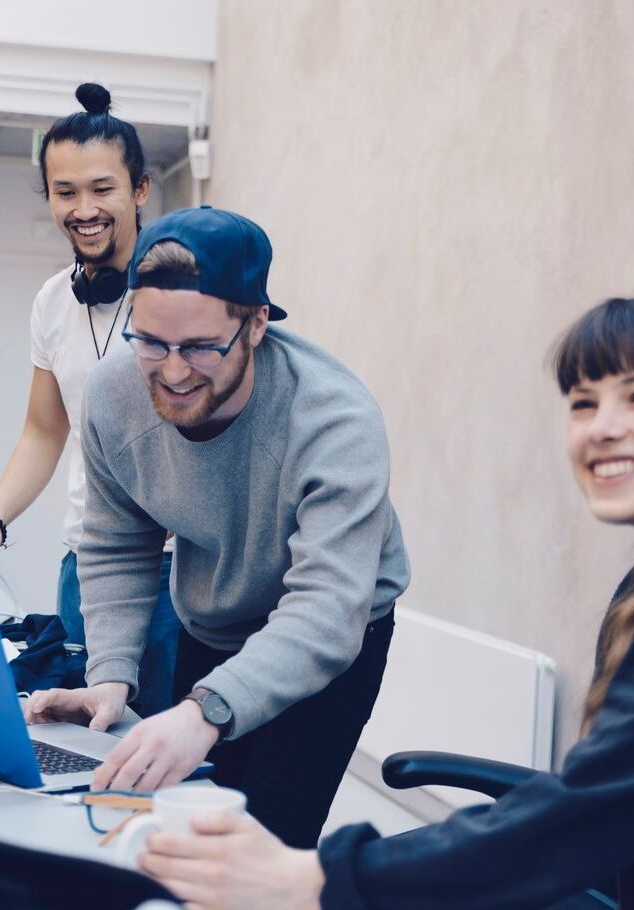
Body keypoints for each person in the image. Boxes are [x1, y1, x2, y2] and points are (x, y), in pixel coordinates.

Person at [135, 294, 634, 909]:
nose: (603, 426)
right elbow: (619, 795)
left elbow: (597, 809)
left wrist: (319, 877)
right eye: (584, 402)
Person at [26, 206, 411, 848]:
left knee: (262, 846)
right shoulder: (114, 395)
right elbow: (119, 542)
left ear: (257, 323)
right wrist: (110, 678)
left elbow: (325, 609)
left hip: (332, 633)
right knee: (185, 828)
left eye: (203, 347)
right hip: (213, 620)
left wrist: (205, 711)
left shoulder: (336, 420)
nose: (173, 373)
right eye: (151, 341)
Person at [0, 83, 180, 718]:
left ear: (140, 189)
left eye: (103, 188)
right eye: (66, 191)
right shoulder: (52, 302)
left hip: (172, 572)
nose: (85, 208)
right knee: (79, 743)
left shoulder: (183, 292)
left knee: (153, 754)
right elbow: (44, 432)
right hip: (84, 560)